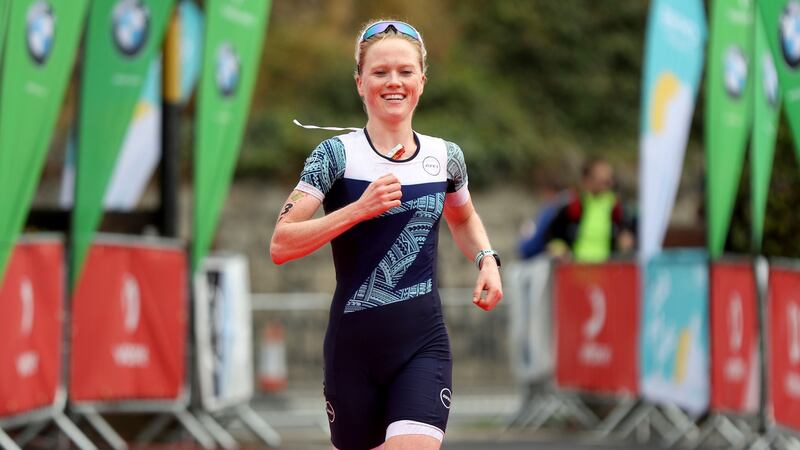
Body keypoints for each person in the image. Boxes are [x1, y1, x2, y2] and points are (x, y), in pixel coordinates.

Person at [270, 19, 503, 450]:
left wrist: (487, 259)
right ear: (360, 83)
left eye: (405, 71)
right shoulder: (336, 156)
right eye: (379, 73)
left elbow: (463, 217)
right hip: (352, 354)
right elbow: (282, 243)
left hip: (423, 347)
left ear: (422, 81)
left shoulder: (445, 156)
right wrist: (358, 211)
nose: (393, 82)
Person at [525, 158, 634, 263]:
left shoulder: (616, 206)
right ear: (587, 179)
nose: (608, 183)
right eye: (602, 180)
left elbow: (627, 232)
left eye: (609, 180)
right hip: (575, 268)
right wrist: (559, 248)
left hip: (605, 269)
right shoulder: (572, 204)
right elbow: (551, 235)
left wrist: (625, 239)